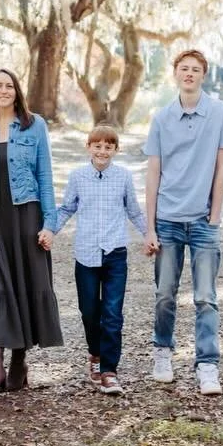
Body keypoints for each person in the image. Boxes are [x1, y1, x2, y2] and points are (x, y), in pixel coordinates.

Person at [143, 48, 223, 395]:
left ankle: (208, 365)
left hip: (202, 222)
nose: (189, 74)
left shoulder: (220, 114)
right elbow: (153, 172)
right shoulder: (161, 118)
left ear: (203, 75)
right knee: (165, 294)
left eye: (195, 69)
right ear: (175, 74)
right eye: (184, 68)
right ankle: (163, 353)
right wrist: (149, 225)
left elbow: (221, 167)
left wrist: (214, 215)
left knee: (205, 298)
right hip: (167, 219)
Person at [0, 68, 62, 392]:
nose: (4, 90)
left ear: (17, 91)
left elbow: (46, 176)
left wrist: (50, 224)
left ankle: (19, 361)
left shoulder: (35, 126)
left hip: (27, 215)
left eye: (9, 85)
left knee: (25, 284)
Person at [41, 124, 153, 394]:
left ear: (116, 150)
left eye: (108, 146)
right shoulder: (78, 176)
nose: (103, 151)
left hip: (115, 253)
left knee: (112, 314)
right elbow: (67, 207)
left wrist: (149, 234)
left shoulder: (123, 177)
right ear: (89, 147)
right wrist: (50, 229)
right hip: (86, 254)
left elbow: (134, 211)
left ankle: (109, 371)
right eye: (98, 146)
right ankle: (95, 354)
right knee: (90, 312)